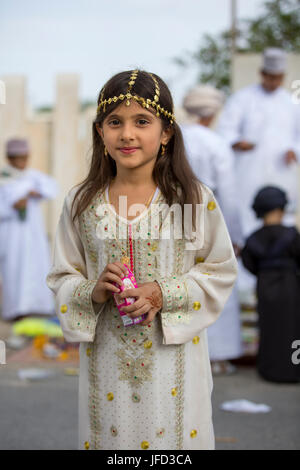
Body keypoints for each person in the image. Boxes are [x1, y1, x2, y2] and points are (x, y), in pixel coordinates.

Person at [46, 70, 238, 450]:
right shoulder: (82, 202)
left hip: (175, 364)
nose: (127, 134)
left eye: (142, 122)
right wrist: (93, 290)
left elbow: (219, 270)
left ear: (166, 132)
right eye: (114, 122)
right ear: (100, 132)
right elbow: (62, 275)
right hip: (107, 363)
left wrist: (162, 292)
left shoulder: (192, 199)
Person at [217, 48, 300, 301]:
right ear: (262, 74)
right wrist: (237, 142)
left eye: (278, 77)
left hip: (281, 175)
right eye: (269, 76)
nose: (273, 82)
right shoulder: (242, 99)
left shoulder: (291, 102)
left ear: (282, 76)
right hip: (248, 176)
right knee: (248, 223)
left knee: (281, 224)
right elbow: (225, 132)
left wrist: (293, 150)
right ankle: (245, 286)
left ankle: (284, 279)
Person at [181, 85, 243, 374]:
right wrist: (235, 234)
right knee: (216, 281)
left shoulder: (172, 138)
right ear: (213, 112)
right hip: (208, 216)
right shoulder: (216, 144)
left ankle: (182, 349)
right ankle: (217, 356)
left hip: (173, 216)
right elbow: (229, 195)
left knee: (179, 279)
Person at [241, 186, 300, 383]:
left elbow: (249, 263)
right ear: (281, 209)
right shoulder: (292, 235)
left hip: (265, 286)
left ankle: (269, 369)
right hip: (291, 286)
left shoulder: (253, 239)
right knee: (293, 328)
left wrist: (264, 273)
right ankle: (293, 370)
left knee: (269, 329)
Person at [0, 138, 58, 321]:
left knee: (36, 267)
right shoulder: (3, 177)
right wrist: (12, 206)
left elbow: (52, 188)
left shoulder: (33, 176)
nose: (22, 162)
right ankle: (15, 310)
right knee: (13, 270)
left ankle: (38, 307)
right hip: (11, 235)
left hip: (33, 235)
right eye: (18, 159)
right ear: (9, 158)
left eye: (25, 158)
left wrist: (37, 192)